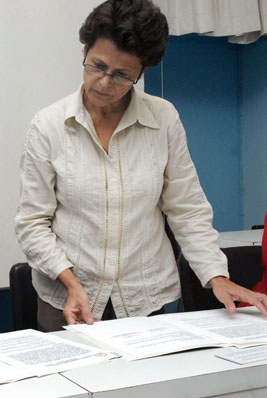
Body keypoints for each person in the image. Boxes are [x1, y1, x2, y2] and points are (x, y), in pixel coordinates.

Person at [14, 0, 267, 331]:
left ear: (141, 71)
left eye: (121, 75)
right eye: (97, 66)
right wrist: (70, 282)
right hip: (67, 300)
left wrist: (216, 275)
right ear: (85, 51)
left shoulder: (162, 119)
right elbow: (33, 222)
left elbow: (186, 209)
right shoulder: (48, 126)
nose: (104, 83)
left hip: (144, 299)